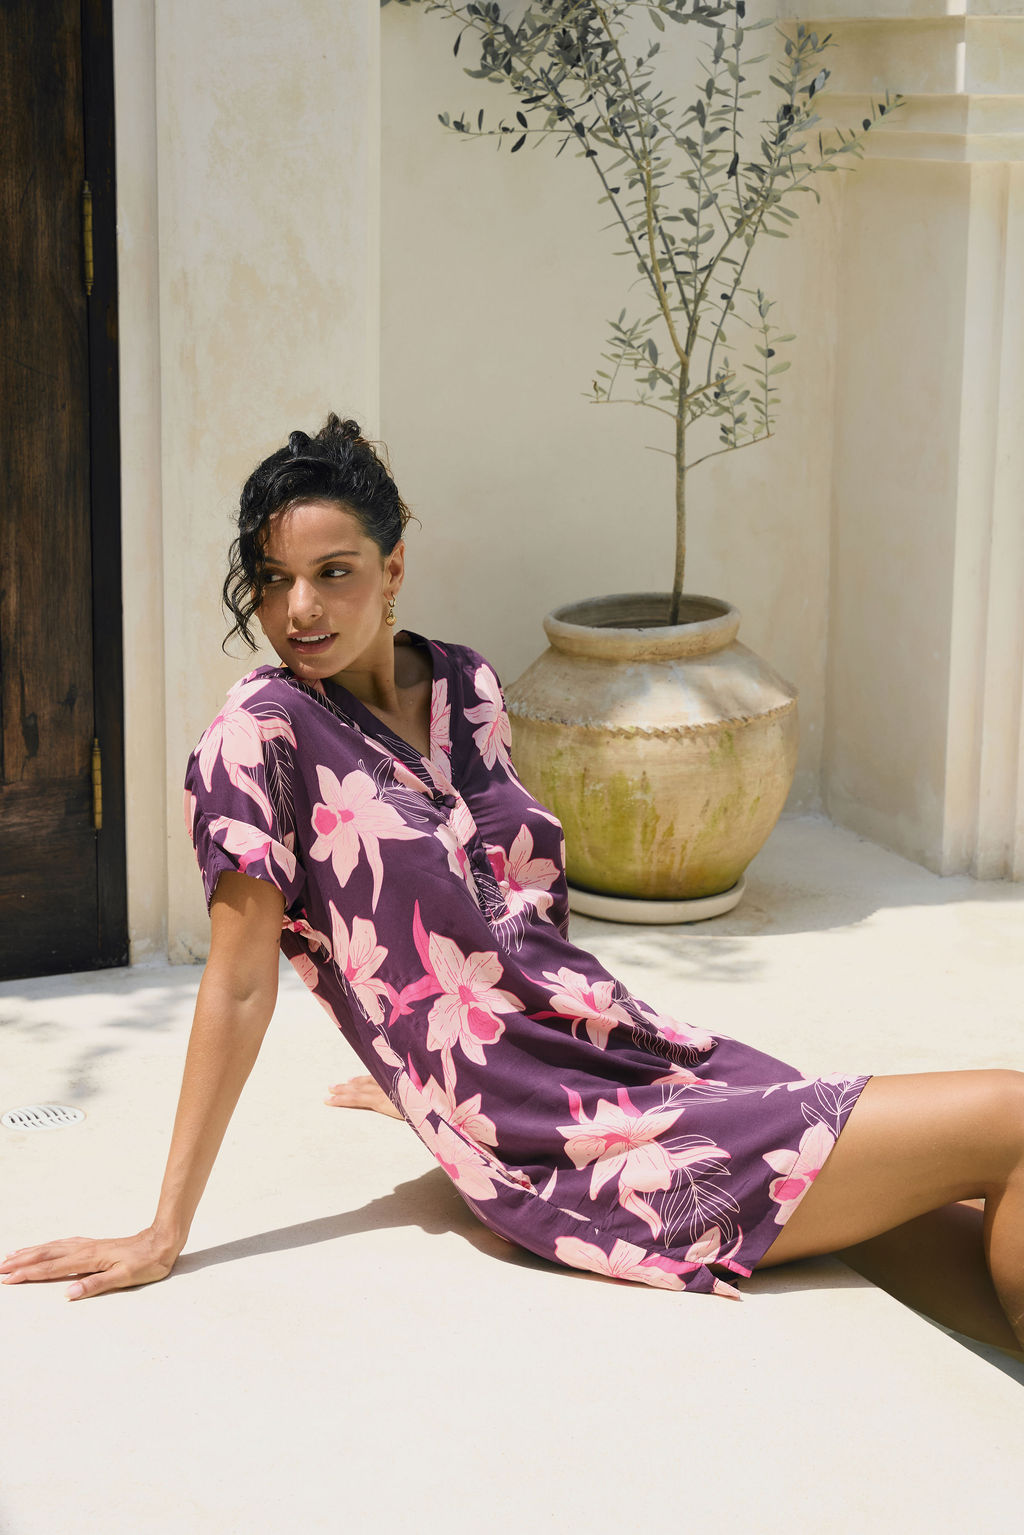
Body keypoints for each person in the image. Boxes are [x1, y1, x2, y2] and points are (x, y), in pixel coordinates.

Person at [3, 414, 1023, 1359]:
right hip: (544, 1129)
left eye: (333, 571)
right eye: (272, 579)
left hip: (615, 1045)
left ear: (393, 568)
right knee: (1009, 1122)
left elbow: (519, 911)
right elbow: (236, 980)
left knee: (946, 1213)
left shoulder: (464, 682)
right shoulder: (258, 736)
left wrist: (418, 1064)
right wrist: (165, 1223)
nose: (298, 609)